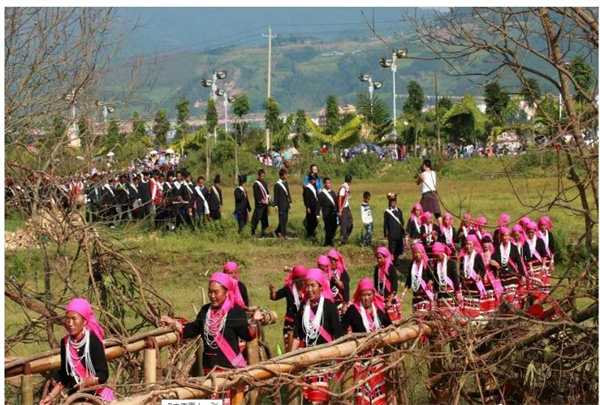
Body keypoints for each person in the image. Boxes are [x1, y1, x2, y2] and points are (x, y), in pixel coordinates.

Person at [160, 273, 263, 404]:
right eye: (210, 292)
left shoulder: (236, 312)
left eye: (216, 292)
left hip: (230, 373)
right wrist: (173, 323)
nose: (212, 296)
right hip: (210, 371)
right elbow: (192, 329)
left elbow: (247, 335)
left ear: (227, 292)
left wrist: (253, 322)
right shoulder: (205, 311)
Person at [40, 298, 115, 404]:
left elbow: (103, 374)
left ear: (84, 321)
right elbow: (65, 376)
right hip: (77, 397)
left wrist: (88, 381)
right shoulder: (65, 343)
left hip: (98, 397)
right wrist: (51, 396)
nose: (70, 323)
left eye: (74, 319)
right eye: (67, 319)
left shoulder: (93, 342)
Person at [291, 269, 346, 404]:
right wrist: (291, 358)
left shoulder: (329, 307)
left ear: (321, 287)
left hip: (325, 360)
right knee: (308, 398)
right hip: (308, 359)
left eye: (313, 285)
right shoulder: (303, 307)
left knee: (319, 399)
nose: (309, 289)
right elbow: (297, 335)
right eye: (307, 286)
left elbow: (338, 334)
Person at [341, 278, 391, 405]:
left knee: (379, 391)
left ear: (374, 294)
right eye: (363, 295)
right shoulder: (353, 310)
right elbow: (342, 328)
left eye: (369, 294)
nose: (367, 298)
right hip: (360, 358)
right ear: (359, 296)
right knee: (361, 394)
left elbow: (389, 326)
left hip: (378, 357)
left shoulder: (379, 309)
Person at [269, 265, 307, 352]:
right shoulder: (288, 289)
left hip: (303, 323)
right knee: (290, 349)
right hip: (290, 324)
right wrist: (272, 291)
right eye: (301, 280)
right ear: (296, 280)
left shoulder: (307, 289)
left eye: (304, 279)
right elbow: (274, 297)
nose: (303, 282)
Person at [490, 227, 526, 309]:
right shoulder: (498, 248)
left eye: (507, 235)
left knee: (511, 295)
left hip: (512, 275)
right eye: (504, 236)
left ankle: (513, 310)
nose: (505, 237)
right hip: (502, 276)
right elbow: (493, 260)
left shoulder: (514, 248)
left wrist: (522, 275)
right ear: (501, 237)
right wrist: (494, 264)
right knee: (504, 296)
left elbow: (519, 262)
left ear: (509, 236)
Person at [430, 242, 462, 320]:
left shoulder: (451, 263)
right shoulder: (436, 264)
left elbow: (455, 278)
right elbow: (436, 279)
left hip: (450, 293)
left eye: (437, 255)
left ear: (442, 253)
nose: (436, 258)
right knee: (441, 316)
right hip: (440, 294)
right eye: (435, 256)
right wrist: (434, 292)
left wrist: (458, 292)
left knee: (452, 316)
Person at [400, 243, 434, 315]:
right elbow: (409, 280)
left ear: (422, 253)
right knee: (416, 317)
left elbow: (432, 277)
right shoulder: (412, 264)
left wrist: (430, 282)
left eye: (419, 252)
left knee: (422, 315)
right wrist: (403, 294)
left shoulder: (427, 263)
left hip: (425, 294)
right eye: (415, 252)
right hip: (415, 296)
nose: (417, 254)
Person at [523, 222, 550, 306]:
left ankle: (536, 306)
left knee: (539, 289)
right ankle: (533, 306)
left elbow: (544, 255)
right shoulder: (525, 243)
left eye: (532, 232)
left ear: (535, 231)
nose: (530, 234)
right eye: (528, 232)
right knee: (533, 289)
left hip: (539, 268)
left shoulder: (539, 241)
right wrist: (530, 268)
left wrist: (544, 266)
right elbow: (526, 257)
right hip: (530, 269)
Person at [459, 235, 486, 319]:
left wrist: (479, 275)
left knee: (474, 305)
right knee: (466, 306)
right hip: (465, 287)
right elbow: (460, 271)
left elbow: (483, 270)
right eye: (466, 244)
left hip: (474, 286)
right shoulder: (463, 258)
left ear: (474, 245)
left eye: (470, 244)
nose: (468, 246)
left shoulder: (477, 256)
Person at [373, 247, 401, 321]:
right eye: (377, 258)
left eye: (381, 258)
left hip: (390, 299)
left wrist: (390, 301)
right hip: (380, 299)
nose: (379, 260)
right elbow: (376, 284)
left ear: (385, 257)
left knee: (393, 322)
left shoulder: (391, 268)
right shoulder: (377, 268)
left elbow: (394, 285)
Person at [479, 234, 503, 315]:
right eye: (484, 242)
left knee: (493, 297)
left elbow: (499, 268)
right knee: (484, 298)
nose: (486, 244)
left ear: (490, 243)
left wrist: (497, 265)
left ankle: (493, 315)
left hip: (493, 280)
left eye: (488, 242)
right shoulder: (479, 256)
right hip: (483, 280)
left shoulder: (494, 254)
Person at [327, 249, 351, 315]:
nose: (331, 261)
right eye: (330, 259)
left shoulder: (342, 273)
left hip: (341, 302)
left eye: (334, 259)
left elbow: (346, 288)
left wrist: (345, 304)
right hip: (329, 302)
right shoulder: (326, 272)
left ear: (337, 261)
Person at [383, 193, 405, 264]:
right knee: (391, 248)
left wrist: (403, 232)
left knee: (398, 248)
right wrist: (385, 233)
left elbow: (402, 222)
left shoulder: (399, 211)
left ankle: (396, 260)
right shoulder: (387, 212)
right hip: (391, 234)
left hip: (398, 233)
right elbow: (385, 223)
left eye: (394, 202)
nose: (393, 204)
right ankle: (391, 261)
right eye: (392, 203)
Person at [318, 177, 337, 246]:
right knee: (328, 228)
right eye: (327, 183)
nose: (329, 184)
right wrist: (317, 215)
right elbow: (318, 205)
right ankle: (327, 243)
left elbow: (336, 203)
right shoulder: (321, 194)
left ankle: (331, 240)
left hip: (333, 213)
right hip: (326, 214)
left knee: (334, 227)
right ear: (324, 184)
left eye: (329, 183)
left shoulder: (333, 193)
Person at [251, 169, 270, 237]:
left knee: (264, 219)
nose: (263, 177)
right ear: (259, 176)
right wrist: (261, 200)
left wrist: (268, 200)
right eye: (262, 176)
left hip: (265, 205)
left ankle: (263, 232)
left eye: (264, 176)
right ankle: (252, 231)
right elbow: (256, 194)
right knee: (256, 218)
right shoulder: (256, 184)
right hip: (259, 205)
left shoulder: (264, 183)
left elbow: (267, 192)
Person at [274, 168, 292, 239]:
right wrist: (276, 205)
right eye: (285, 175)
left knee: (285, 219)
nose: (286, 176)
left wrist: (290, 201)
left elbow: (288, 193)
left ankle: (277, 231)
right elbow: (276, 196)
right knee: (282, 220)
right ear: (281, 176)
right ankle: (283, 235)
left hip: (286, 204)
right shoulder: (277, 185)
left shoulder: (286, 183)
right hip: (280, 205)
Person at [337, 174, 353, 245]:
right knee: (344, 225)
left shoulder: (347, 187)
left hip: (347, 207)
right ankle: (343, 241)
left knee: (350, 223)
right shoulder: (343, 188)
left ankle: (345, 238)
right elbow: (340, 198)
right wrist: (340, 210)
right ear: (350, 181)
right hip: (343, 209)